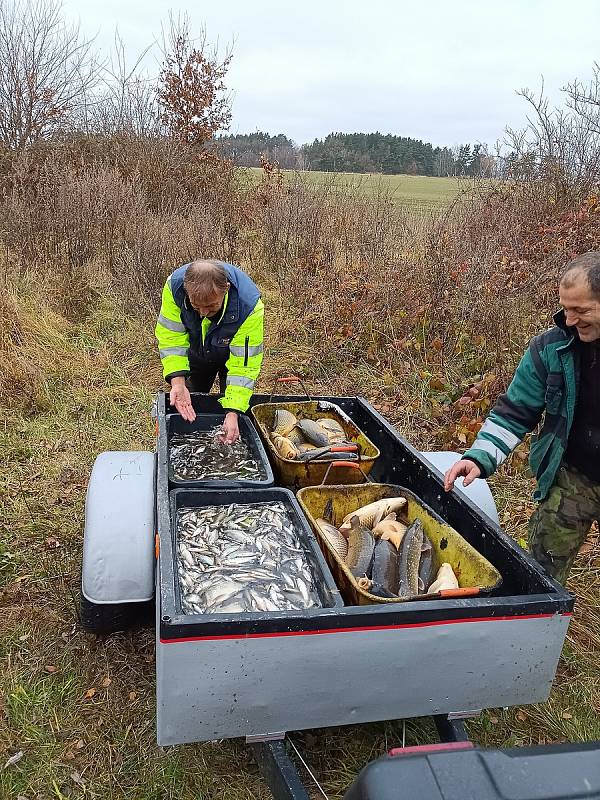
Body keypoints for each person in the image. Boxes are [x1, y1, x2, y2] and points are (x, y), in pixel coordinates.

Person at [444, 251, 600, 584]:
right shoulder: (549, 349)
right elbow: (514, 411)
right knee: (542, 568)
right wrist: (480, 457)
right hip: (574, 476)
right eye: (566, 308)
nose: (570, 320)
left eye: (582, 310)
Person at [155, 259, 264, 443]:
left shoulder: (249, 306)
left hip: (231, 355)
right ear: (186, 290)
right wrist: (178, 382)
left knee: (232, 413)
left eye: (212, 306)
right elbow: (171, 338)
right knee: (188, 403)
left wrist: (233, 411)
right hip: (196, 352)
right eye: (196, 306)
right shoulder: (174, 290)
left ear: (226, 288)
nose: (204, 313)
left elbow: (244, 366)